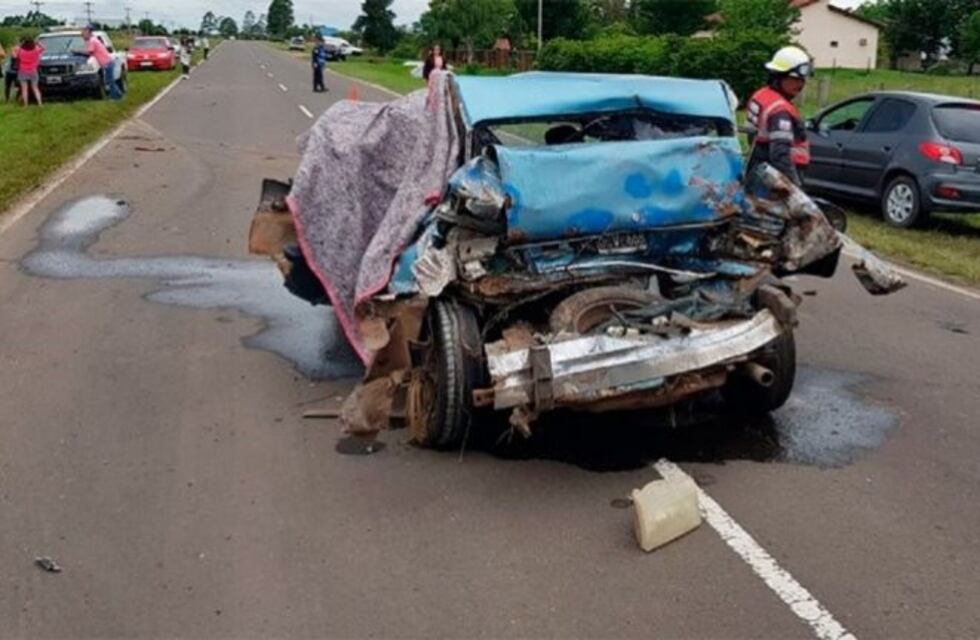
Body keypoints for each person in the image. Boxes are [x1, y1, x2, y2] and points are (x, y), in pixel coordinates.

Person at [745, 46, 813, 186]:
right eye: (795, 79)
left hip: (758, 166)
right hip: (777, 176)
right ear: (778, 76)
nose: (800, 84)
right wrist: (793, 185)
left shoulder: (762, 95)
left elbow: (752, 136)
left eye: (802, 80)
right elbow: (780, 154)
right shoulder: (780, 110)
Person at [81, 26, 122, 100]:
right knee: (110, 80)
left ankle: (115, 97)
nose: (83, 35)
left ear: (89, 33)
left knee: (110, 81)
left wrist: (77, 52)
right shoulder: (94, 40)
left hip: (106, 63)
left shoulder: (92, 41)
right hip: (107, 62)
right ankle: (118, 94)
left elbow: (89, 52)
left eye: (84, 33)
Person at [15, 36, 43, 107]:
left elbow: (15, 55)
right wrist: (38, 43)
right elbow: (43, 49)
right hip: (33, 70)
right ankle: (40, 103)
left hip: (22, 71)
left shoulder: (20, 51)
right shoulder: (36, 50)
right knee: (35, 88)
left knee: (24, 89)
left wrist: (19, 44)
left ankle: (26, 104)